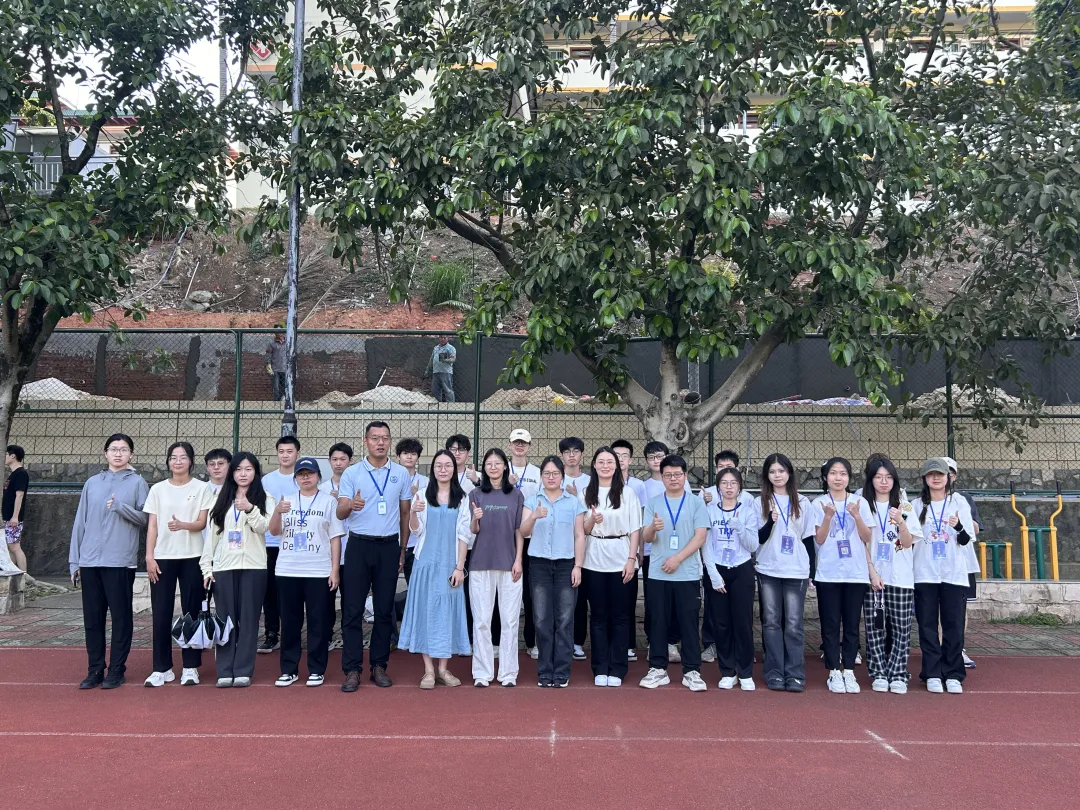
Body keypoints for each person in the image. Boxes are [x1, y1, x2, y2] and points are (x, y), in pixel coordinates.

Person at [335, 421, 412, 691]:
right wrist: (350, 505)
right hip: (358, 545)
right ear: (365, 441)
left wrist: (402, 549)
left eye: (385, 438)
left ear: (390, 442)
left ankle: (379, 665)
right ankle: (352, 669)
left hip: (389, 547)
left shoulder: (400, 473)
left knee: (383, 609)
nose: (380, 442)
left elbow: (405, 513)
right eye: (375, 438)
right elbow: (340, 512)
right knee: (352, 610)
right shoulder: (352, 473)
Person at [69, 434, 149, 690]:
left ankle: (116, 669)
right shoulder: (92, 483)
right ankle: (95, 669)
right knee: (93, 619)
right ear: (105, 453)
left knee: (121, 618)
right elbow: (80, 522)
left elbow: (146, 519)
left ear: (131, 455)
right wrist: (75, 562)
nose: (118, 454)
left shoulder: (138, 483)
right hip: (90, 561)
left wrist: (120, 508)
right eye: (113, 449)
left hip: (120, 562)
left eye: (124, 449)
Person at [143, 441, 215, 687]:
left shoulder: (202, 488)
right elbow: (152, 525)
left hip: (193, 556)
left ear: (191, 461)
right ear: (168, 461)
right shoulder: (158, 489)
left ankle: (190, 667)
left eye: (183, 457)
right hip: (163, 557)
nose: (178, 461)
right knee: (161, 613)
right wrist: (149, 556)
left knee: (191, 612)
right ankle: (161, 668)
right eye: (173, 457)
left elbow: (202, 523)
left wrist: (183, 525)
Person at [399, 450, 473, 688]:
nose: (443, 469)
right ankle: (428, 671)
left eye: (447, 465)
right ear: (433, 469)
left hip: (450, 565)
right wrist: (413, 512)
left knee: (446, 614)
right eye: (439, 465)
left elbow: (464, 534)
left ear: (454, 469)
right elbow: (416, 530)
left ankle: (443, 669)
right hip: (426, 564)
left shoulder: (462, 498)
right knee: (426, 613)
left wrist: (460, 567)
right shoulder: (422, 494)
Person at [201, 452, 274, 688]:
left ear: (256, 472)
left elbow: (264, 528)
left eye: (248, 469)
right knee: (226, 620)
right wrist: (207, 568)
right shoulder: (220, 500)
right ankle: (224, 669)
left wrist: (250, 508)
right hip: (224, 567)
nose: (243, 474)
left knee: (249, 619)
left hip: (254, 567)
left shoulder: (265, 498)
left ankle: (243, 670)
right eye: (238, 469)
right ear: (232, 473)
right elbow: (211, 538)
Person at [269, 457, 343, 687]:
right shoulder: (287, 501)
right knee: (289, 622)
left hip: (318, 570)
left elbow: (335, 538)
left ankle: (316, 669)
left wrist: (334, 570)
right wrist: (277, 512)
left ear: (318, 476)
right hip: (288, 569)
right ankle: (288, 669)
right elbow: (274, 531)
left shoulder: (328, 502)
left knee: (318, 622)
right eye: (301, 474)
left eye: (310, 473)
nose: (305, 477)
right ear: (295, 478)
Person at [638, 454, 710, 692]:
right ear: (662, 477)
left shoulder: (696, 503)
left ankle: (692, 671)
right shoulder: (654, 503)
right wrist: (652, 527)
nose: (673, 478)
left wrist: (678, 558)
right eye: (668, 475)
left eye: (677, 474)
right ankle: (658, 669)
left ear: (685, 476)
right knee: (658, 621)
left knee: (689, 622)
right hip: (658, 573)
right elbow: (647, 537)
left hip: (687, 573)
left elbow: (700, 536)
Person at [519, 456, 586, 687]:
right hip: (539, 565)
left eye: (555, 473)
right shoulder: (532, 501)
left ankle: (562, 671)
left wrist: (578, 566)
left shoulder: (574, 502)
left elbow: (580, 535)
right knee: (541, 619)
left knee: (565, 619)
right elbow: (523, 532)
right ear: (541, 477)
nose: (551, 477)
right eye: (546, 473)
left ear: (562, 476)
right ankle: (545, 670)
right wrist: (534, 516)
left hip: (566, 564)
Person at [911, 457, 975, 694]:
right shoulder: (916, 505)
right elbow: (908, 538)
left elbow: (966, 539)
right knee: (927, 625)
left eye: (940, 474)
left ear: (949, 477)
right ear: (924, 479)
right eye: (931, 474)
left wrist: (958, 526)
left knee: (953, 624)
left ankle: (953, 673)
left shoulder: (959, 502)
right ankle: (932, 672)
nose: (936, 478)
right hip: (924, 573)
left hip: (953, 573)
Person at [754, 452, 816, 692]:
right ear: (766, 475)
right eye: (772, 471)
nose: (777, 475)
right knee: (771, 622)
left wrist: (811, 570)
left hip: (796, 570)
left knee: (793, 624)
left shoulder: (803, 502)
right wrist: (770, 521)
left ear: (789, 473)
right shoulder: (759, 501)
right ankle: (774, 673)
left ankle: (795, 674)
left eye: (781, 471)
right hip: (768, 568)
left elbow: (808, 538)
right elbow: (758, 539)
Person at [581, 447, 641, 687]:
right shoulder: (586, 492)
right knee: (597, 616)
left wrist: (631, 560)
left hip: (620, 560)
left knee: (620, 616)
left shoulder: (628, 493)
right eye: (601, 461)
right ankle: (600, 667)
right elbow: (582, 531)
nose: (605, 466)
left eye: (610, 461)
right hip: (593, 560)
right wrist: (591, 520)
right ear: (594, 465)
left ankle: (617, 667)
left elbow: (635, 530)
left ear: (616, 465)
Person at [812, 458, 872, 695]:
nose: (838, 478)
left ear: (849, 477)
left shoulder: (860, 502)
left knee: (852, 624)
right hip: (828, 573)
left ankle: (849, 670)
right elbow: (819, 539)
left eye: (843, 473)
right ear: (825, 477)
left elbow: (867, 537)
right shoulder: (818, 503)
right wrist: (827, 516)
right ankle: (833, 671)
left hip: (855, 573)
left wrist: (857, 516)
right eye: (833, 473)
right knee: (830, 624)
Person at [466, 448, 525, 687]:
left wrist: (518, 559)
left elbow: (519, 530)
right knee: (481, 620)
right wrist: (475, 518)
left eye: (498, 463)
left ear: (505, 466)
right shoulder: (475, 494)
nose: (493, 467)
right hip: (481, 564)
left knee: (510, 621)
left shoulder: (516, 495)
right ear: (484, 468)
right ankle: (482, 672)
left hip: (509, 564)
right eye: (489, 463)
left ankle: (508, 673)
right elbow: (473, 530)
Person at [863, 456, 921, 694]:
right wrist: (872, 573)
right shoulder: (864, 506)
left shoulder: (904, 507)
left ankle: (897, 673)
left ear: (894, 480)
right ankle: (878, 672)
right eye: (878, 477)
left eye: (888, 477)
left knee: (901, 628)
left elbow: (907, 543)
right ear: (871, 480)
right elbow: (862, 543)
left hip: (900, 577)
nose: (883, 482)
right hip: (874, 578)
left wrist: (900, 522)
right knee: (875, 627)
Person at [700, 467, 759, 690]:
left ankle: (745, 672)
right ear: (718, 487)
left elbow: (752, 546)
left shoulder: (748, 511)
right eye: (724, 483)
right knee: (721, 623)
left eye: (733, 483)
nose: (729, 487)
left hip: (741, 569)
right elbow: (706, 545)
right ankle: (727, 671)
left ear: (740, 486)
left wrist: (740, 528)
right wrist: (713, 575)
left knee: (742, 622)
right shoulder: (709, 511)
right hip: (717, 570)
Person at [642, 440, 691, 664]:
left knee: (676, 603)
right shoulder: (645, 487)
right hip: (653, 552)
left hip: (680, 554)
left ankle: (672, 642)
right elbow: (643, 523)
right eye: (651, 457)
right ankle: (654, 642)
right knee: (654, 603)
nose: (656, 460)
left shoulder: (683, 485)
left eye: (659, 456)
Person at [259, 436, 301, 654]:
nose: (285, 455)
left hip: (294, 544)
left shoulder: (302, 478)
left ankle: (291, 634)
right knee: (269, 591)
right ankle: (271, 633)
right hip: (270, 542)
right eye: (281, 451)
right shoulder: (267, 480)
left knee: (291, 592)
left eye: (289, 451)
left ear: (297, 454)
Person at [612, 438, 648, 662]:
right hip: (607, 550)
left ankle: (628, 644)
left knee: (628, 598)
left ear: (631, 460)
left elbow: (640, 522)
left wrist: (639, 551)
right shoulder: (603, 484)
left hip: (630, 549)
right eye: (616, 456)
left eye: (624, 456)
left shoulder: (638, 486)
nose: (620, 460)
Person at [944, 457, 981, 670]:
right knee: (937, 608)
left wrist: (960, 523)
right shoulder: (923, 501)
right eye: (939, 472)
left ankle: (958, 648)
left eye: (949, 472)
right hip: (937, 562)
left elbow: (975, 528)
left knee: (960, 608)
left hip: (962, 561)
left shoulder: (963, 499)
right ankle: (941, 648)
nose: (944, 476)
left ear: (955, 476)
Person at [507, 429, 541, 659]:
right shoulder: (501, 470)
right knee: (505, 592)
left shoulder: (537, 473)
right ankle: (501, 642)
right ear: (510, 445)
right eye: (516, 442)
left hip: (530, 538)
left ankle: (531, 641)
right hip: (505, 537)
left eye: (524, 443)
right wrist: (507, 485)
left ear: (529, 446)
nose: (520, 446)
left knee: (530, 593)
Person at [319, 442, 352, 651]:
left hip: (350, 552)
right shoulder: (321, 489)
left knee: (350, 600)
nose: (338, 463)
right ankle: (327, 635)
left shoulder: (356, 486)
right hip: (327, 554)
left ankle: (349, 636)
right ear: (329, 461)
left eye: (343, 459)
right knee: (326, 600)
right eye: (335, 459)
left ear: (350, 461)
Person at [396, 438, 428, 584]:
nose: (409, 457)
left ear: (418, 457)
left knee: (415, 583)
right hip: (393, 538)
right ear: (398, 456)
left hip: (416, 541)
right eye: (405, 453)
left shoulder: (425, 482)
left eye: (413, 454)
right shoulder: (392, 479)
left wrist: (417, 495)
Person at [4, 445, 29, 572]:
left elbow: (19, 495)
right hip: (8, 516)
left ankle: (23, 575)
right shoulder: (13, 474)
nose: (5, 457)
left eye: (6, 454)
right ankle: (14, 574)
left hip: (12, 517)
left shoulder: (20, 474)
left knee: (15, 547)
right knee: (10, 547)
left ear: (13, 456)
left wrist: (15, 517)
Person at [430, 335, 457, 402]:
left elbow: (453, 359)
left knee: (448, 390)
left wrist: (444, 360)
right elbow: (431, 359)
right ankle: (437, 405)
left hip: (446, 372)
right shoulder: (436, 348)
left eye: (445, 338)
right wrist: (427, 370)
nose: (443, 339)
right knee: (435, 391)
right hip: (436, 371)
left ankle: (450, 406)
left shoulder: (450, 348)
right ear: (439, 338)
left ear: (448, 338)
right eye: (441, 337)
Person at [265, 331, 287, 401]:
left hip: (285, 369)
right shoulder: (272, 343)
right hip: (275, 370)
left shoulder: (288, 342)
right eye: (276, 332)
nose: (278, 333)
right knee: (276, 388)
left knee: (285, 387)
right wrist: (268, 365)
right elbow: (268, 355)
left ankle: (285, 402)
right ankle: (276, 403)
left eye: (279, 332)